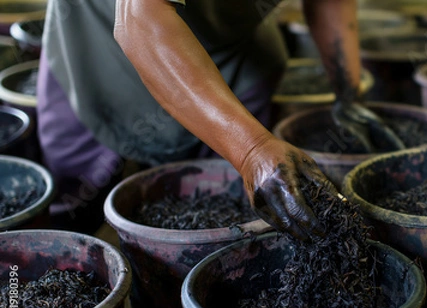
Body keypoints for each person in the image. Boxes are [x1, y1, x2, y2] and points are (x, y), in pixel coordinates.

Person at [37, 0, 391, 239]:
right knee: (76, 186)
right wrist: (252, 149)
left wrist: (348, 94)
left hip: (227, 38)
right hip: (97, 34)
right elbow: (139, 20)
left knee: (227, 204)